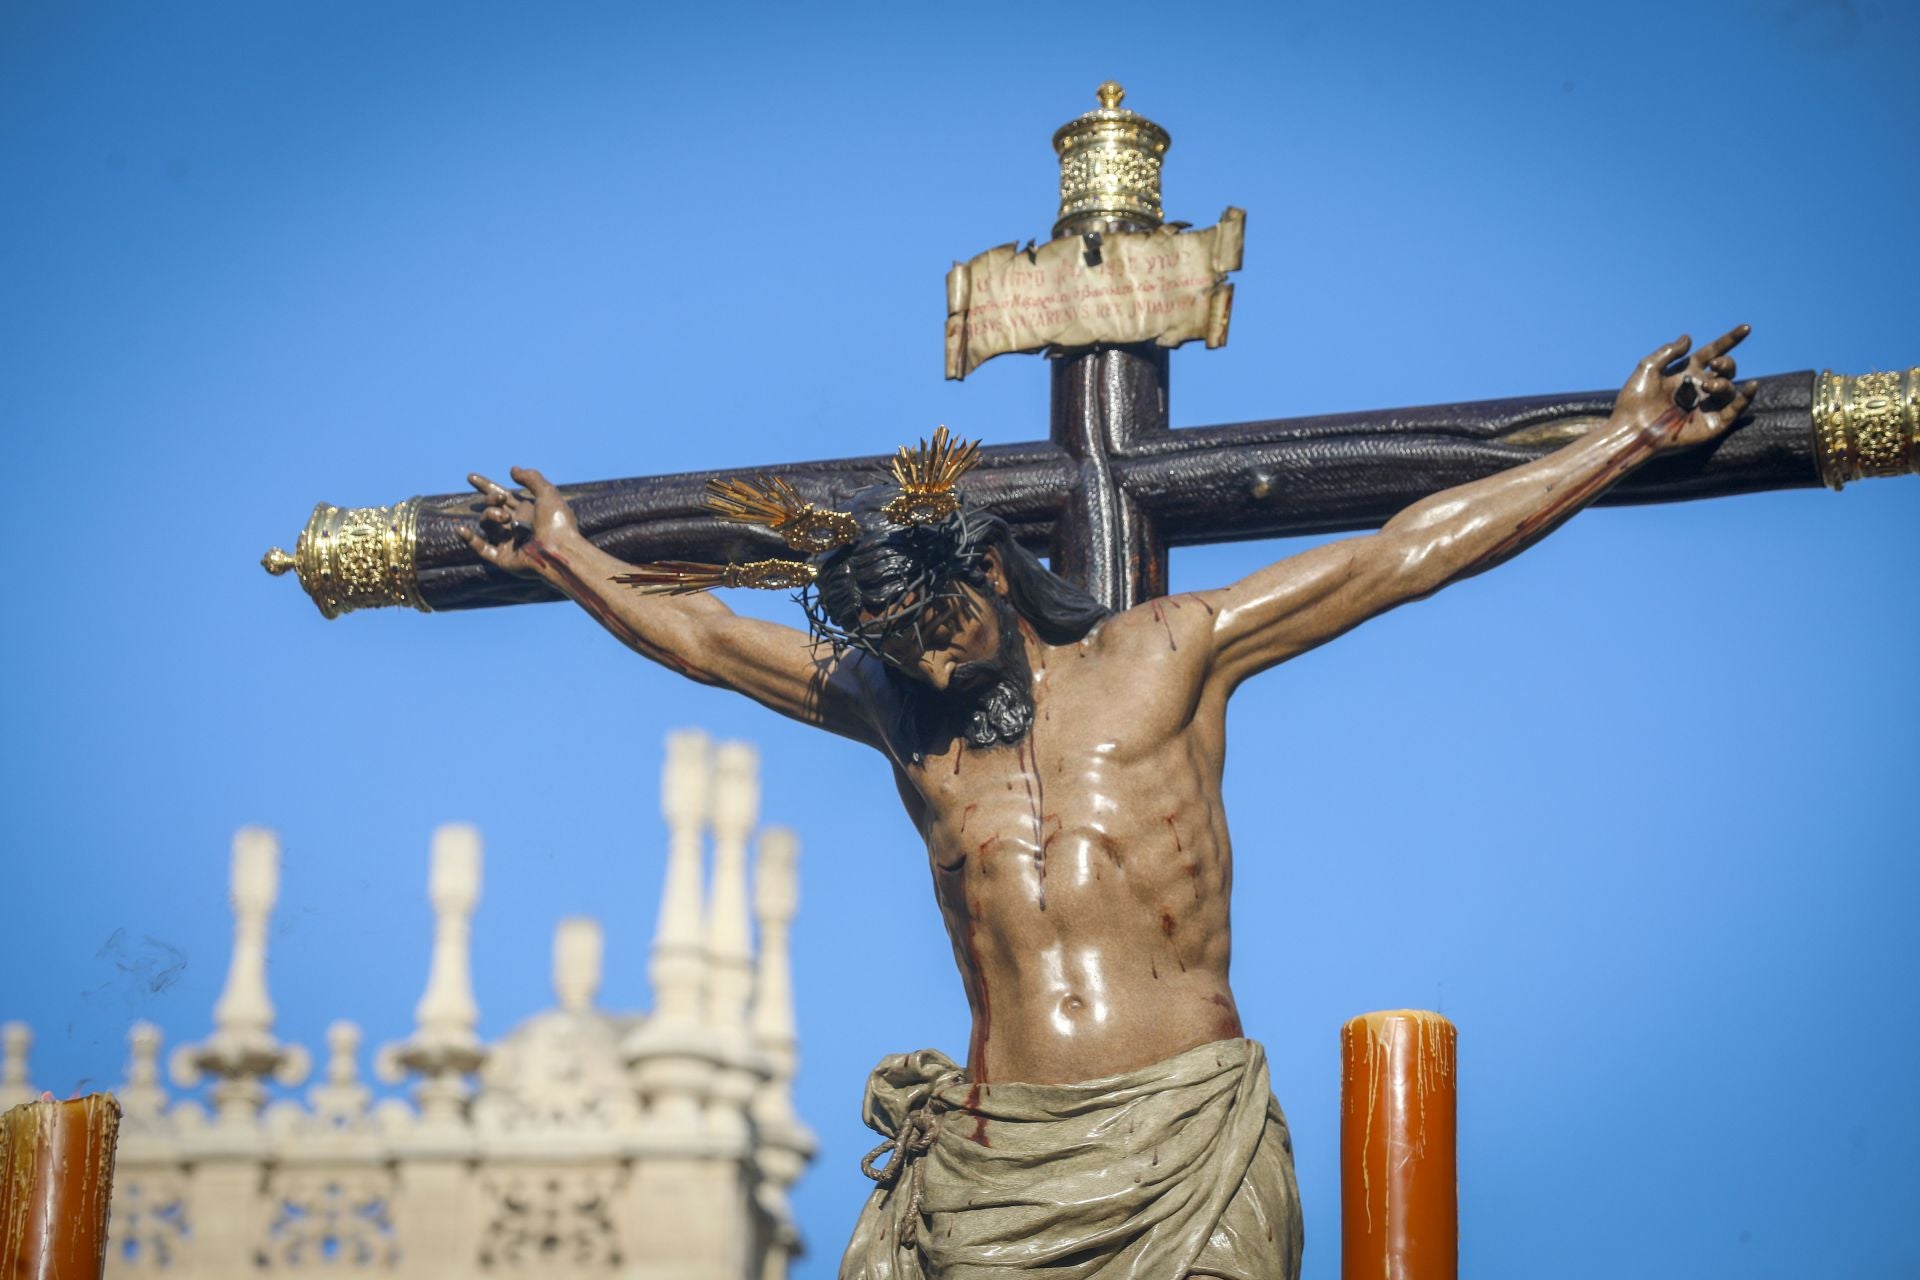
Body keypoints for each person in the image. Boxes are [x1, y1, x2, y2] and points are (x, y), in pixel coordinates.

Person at [459, 328, 1755, 1280]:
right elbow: (706, 640)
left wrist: (1626, 439)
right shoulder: (897, 713)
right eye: (895, 642)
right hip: (993, 1161)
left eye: (937, 623)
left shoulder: (1164, 654)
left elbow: (1396, 555)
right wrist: (567, 554)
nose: (927, 658)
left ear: (994, 578)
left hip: (1178, 1140)